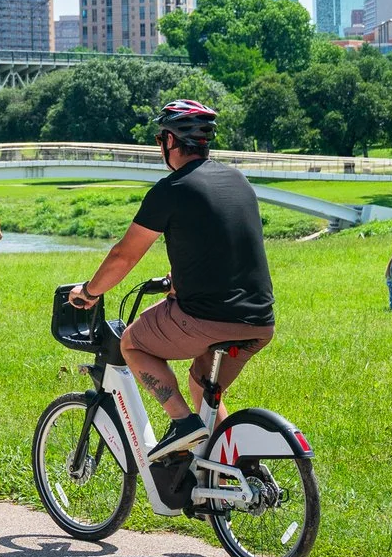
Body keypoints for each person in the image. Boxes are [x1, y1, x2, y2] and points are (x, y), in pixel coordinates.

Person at [65, 100, 273, 458]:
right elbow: (225, 243)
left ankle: (181, 423)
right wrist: (182, 278)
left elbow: (124, 255)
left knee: (132, 344)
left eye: (161, 138)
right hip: (259, 321)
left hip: (208, 318)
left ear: (171, 142)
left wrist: (90, 290)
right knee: (201, 386)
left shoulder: (171, 189)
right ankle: (231, 471)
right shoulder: (238, 181)